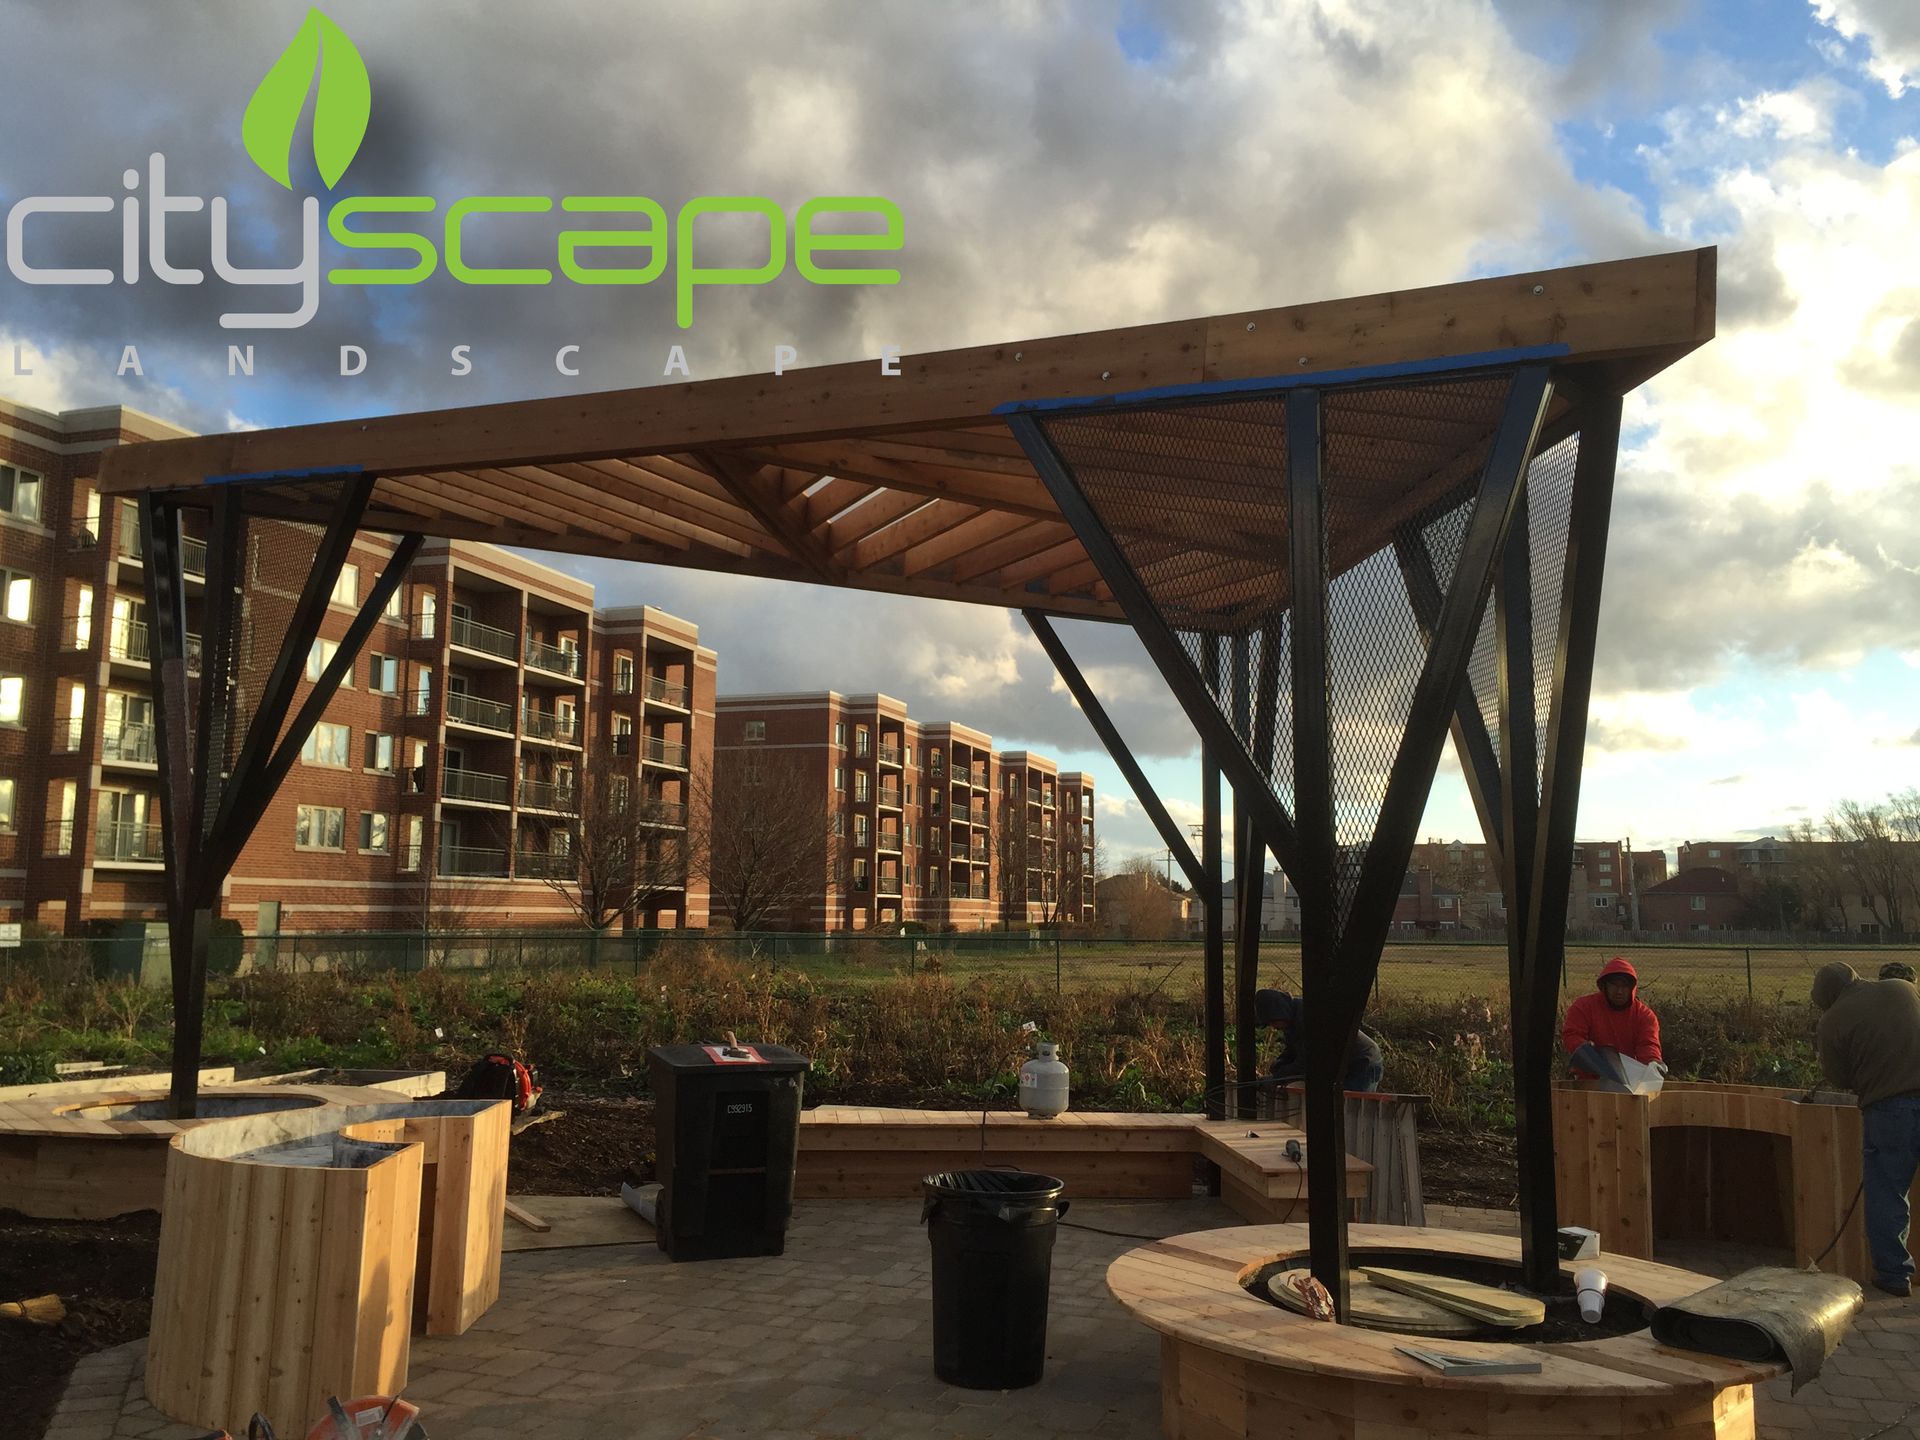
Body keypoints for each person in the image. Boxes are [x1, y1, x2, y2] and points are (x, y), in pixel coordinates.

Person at [1811, 961, 1920, 1297]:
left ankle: (1894, 1275)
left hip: (1890, 1111)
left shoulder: (1832, 1021)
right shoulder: (1902, 988)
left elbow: (1839, 1078)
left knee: (1888, 1193)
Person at [1254, 988, 1383, 1093]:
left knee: (1352, 1106)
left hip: (1362, 1061)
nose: (1273, 1027)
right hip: (1342, 1061)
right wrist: (1278, 1066)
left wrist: (1277, 1078)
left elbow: (1307, 1062)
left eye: (1272, 1022)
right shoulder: (1292, 1021)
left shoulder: (1309, 1018)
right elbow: (1293, 1052)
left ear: (1279, 1012)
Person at [1562, 957, 1664, 1080]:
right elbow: (1572, 1035)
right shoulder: (1583, 1007)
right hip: (1587, 1080)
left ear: (1632, 988)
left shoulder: (1644, 1015)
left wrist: (1653, 1063)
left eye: (1624, 986)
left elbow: (1647, 1044)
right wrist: (1586, 1051)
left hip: (1628, 1082)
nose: (1619, 991)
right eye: (1614, 985)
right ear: (1604, 985)